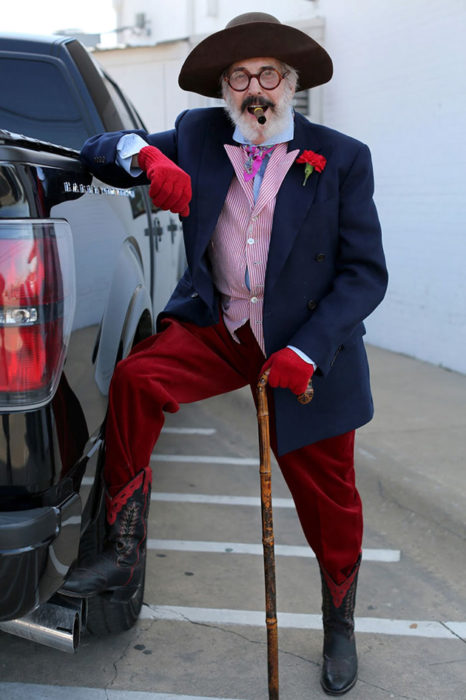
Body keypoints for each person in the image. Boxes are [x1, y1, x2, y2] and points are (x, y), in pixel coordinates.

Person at [63, 12, 388, 695]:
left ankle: (339, 623)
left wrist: (308, 346)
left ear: (291, 83)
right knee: (137, 377)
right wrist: (140, 158)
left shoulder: (343, 157)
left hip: (303, 349)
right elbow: (99, 146)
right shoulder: (197, 136)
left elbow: (365, 273)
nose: (254, 88)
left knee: (332, 502)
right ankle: (122, 550)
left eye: (268, 73)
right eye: (239, 78)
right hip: (223, 328)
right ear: (224, 90)